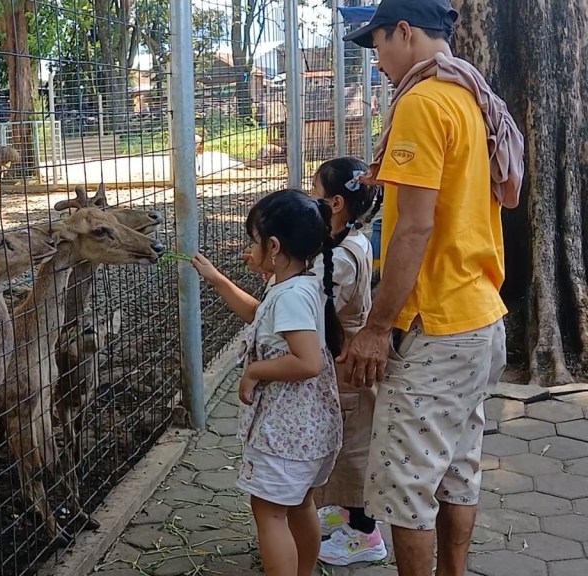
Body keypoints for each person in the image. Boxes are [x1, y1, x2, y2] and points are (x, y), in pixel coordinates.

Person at [340, 1, 523, 575]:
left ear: (405, 31)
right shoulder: (471, 93)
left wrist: (375, 328)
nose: (377, 63)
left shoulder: (422, 101)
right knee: (458, 469)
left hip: (434, 326)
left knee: (407, 487)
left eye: (378, 47)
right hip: (480, 317)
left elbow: (414, 226)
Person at [192, 188, 344, 576]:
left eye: (256, 242)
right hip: (310, 430)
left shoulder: (288, 297)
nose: (252, 248)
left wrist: (254, 371)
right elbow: (262, 316)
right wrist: (219, 280)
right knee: (300, 505)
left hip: (285, 432)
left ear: (273, 246)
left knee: (271, 516)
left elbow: (307, 361)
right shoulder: (301, 284)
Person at [303, 158, 386, 566]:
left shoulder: (342, 257)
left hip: (346, 365)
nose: (310, 196)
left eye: (314, 190)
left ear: (335, 202)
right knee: (342, 445)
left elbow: (314, 306)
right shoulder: (351, 240)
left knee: (353, 451)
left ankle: (365, 535)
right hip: (343, 362)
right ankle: (345, 510)